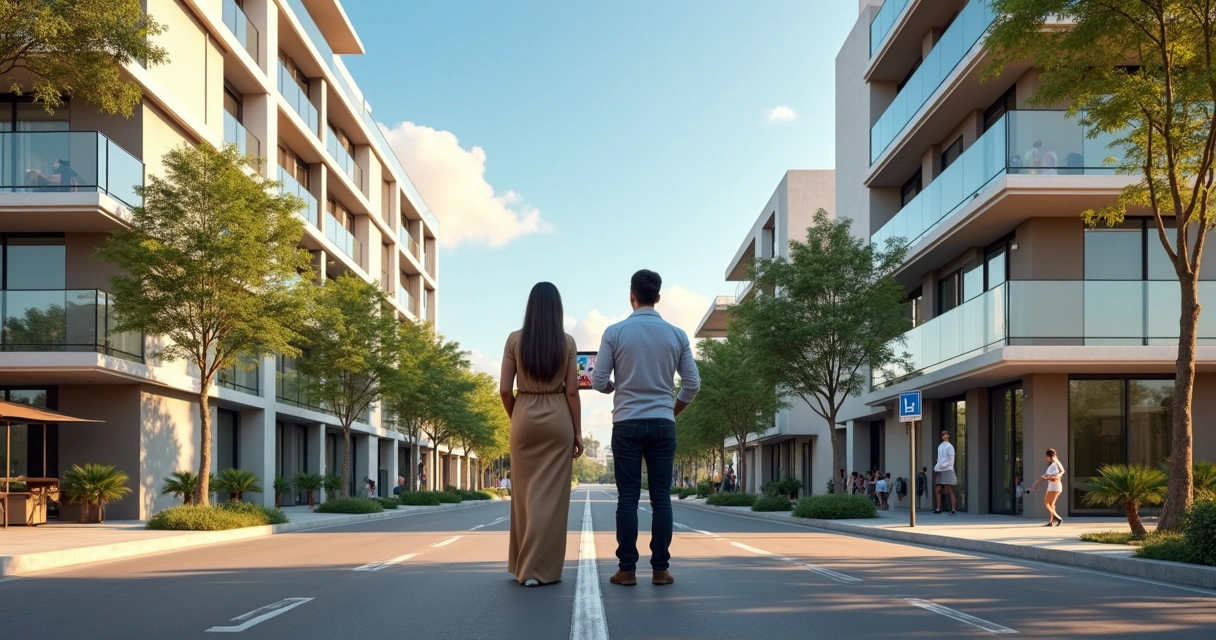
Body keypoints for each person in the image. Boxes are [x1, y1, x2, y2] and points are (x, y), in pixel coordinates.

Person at [592, 269, 700, 588]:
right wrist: (671, 410)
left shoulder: (615, 332)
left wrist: (615, 387)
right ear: (659, 297)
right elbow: (692, 384)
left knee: (627, 498)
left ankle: (626, 570)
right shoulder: (677, 334)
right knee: (660, 499)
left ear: (631, 295)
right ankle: (660, 570)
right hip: (663, 424)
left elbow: (597, 380)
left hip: (626, 423)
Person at [500, 282, 583, 587]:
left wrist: (517, 416)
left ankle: (523, 565)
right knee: (552, 499)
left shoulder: (514, 340)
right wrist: (577, 433)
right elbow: (572, 392)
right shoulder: (568, 342)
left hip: (524, 415)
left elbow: (505, 390)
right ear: (557, 309)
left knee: (523, 496)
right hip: (558, 416)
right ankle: (539, 569)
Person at [1027, 449, 1065, 526]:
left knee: (1046, 503)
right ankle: (1051, 521)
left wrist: (1047, 478)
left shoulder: (1054, 465)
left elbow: (1055, 477)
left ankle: (1058, 518)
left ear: (1049, 456)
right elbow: (1045, 476)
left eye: (1047, 457)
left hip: (1054, 486)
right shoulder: (1055, 464)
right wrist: (1036, 484)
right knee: (1052, 504)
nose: (1046, 458)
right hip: (1054, 486)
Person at [934, 431, 957, 515]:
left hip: (947, 469)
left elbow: (951, 460)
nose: (944, 436)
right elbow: (939, 458)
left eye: (945, 434)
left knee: (949, 489)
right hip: (940, 469)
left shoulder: (950, 446)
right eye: (942, 434)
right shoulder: (940, 446)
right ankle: (938, 508)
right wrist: (937, 466)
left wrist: (945, 465)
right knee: (937, 489)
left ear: (948, 436)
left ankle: (953, 509)